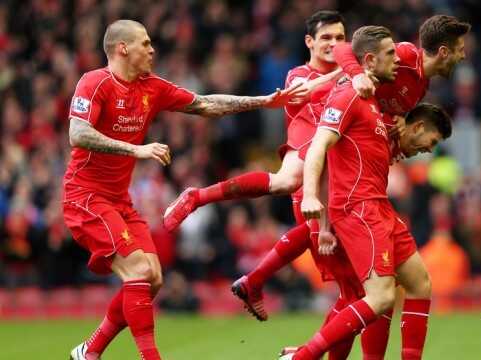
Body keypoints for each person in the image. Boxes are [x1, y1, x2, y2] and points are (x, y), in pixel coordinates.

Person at [63, 19, 302, 360]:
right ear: (122, 48)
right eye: (145, 43)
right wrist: (136, 149)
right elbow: (78, 133)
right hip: (85, 196)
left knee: (154, 280)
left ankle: (90, 351)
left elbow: (205, 104)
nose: (152, 49)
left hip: (119, 200)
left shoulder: (151, 87)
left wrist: (262, 101)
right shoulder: (95, 83)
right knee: (139, 272)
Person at [287, 26, 453, 360]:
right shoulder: (349, 95)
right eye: (391, 54)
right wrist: (310, 196)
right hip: (358, 207)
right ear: (369, 59)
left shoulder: (378, 105)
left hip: (379, 207)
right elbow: (319, 145)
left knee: (420, 282)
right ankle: (303, 357)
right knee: (379, 297)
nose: (400, 59)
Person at [163, 10, 346, 231]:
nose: (334, 44)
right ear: (309, 41)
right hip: (306, 143)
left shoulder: (350, 76)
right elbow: (303, 91)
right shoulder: (299, 74)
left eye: (340, 38)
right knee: (285, 183)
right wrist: (346, 71)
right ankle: (198, 196)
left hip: (339, 152)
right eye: (326, 38)